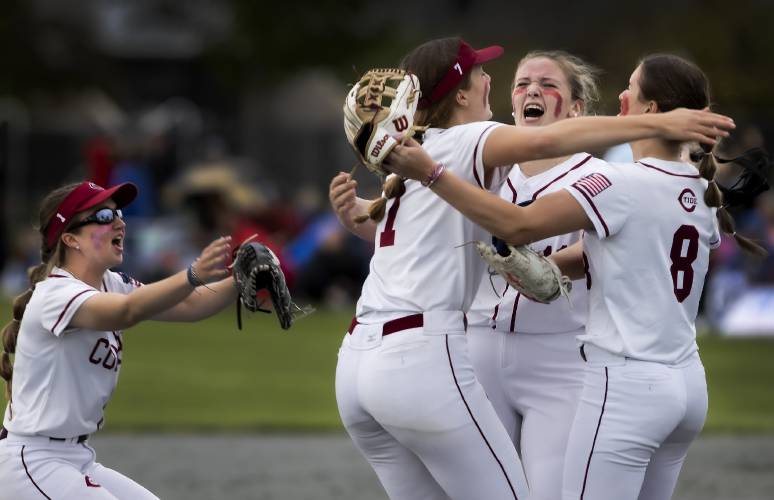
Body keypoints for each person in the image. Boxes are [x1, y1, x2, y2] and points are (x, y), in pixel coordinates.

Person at [333, 37, 733, 500]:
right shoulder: (472, 148)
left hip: (372, 355)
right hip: (451, 349)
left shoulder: (426, 155)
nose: (513, 88)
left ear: (578, 106)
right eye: (514, 81)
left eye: (546, 84)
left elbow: (517, 220)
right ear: (461, 93)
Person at [0, 180, 237, 499]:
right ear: (71, 239)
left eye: (118, 214)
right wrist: (192, 274)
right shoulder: (55, 293)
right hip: (33, 461)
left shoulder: (111, 283)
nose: (119, 222)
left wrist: (242, 279)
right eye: (102, 217)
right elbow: (126, 312)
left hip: (75, 457)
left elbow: (189, 303)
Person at [463, 50, 605, 500]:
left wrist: (553, 266)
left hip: (560, 355)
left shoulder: (597, 175)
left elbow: (607, 251)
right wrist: (362, 220)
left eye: (548, 85)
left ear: (577, 108)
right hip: (478, 348)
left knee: (552, 492)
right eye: (523, 84)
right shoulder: (483, 169)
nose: (532, 91)